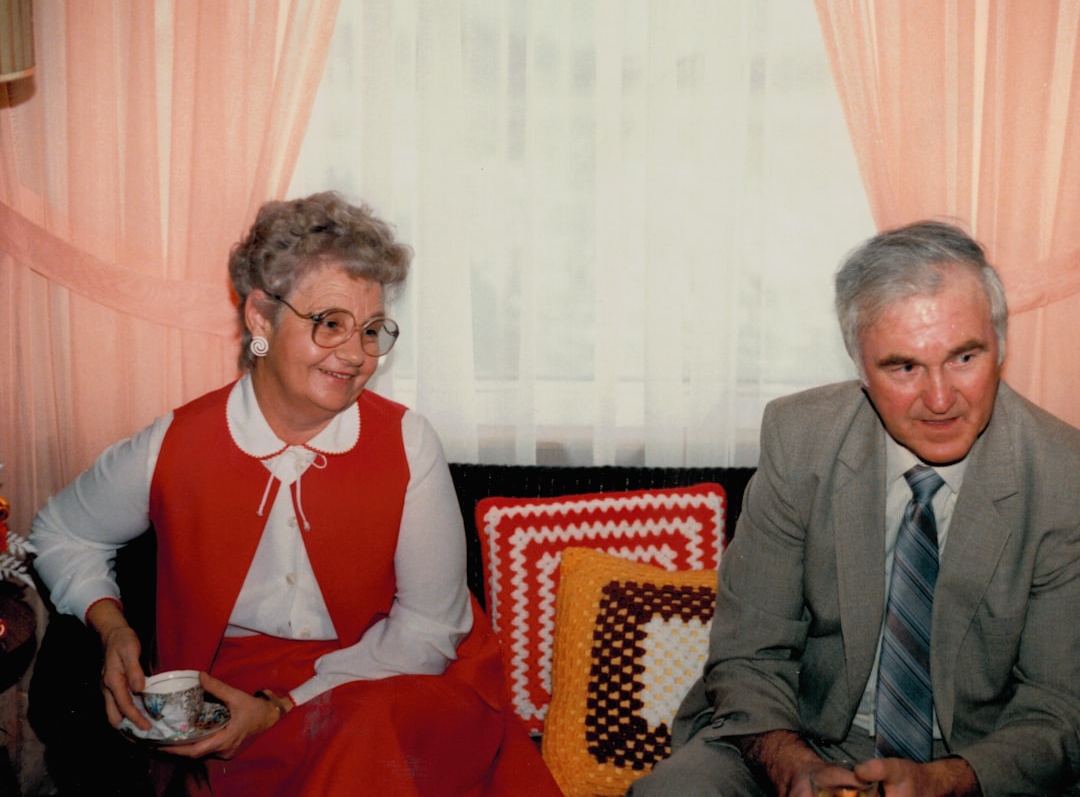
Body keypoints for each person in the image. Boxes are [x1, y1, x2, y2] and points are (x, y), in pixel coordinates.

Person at [30, 191, 561, 796]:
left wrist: (283, 705)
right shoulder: (173, 445)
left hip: (405, 683)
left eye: (370, 330)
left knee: (367, 730)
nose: (357, 355)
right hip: (237, 703)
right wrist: (113, 627)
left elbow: (427, 634)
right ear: (261, 316)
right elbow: (60, 530)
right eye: (330, 323)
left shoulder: (408, 443)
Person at [629, 221, 1080, 797]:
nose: (940, 399)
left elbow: (1058, 708)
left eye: (964, 356)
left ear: (1001, 348)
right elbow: (748, 653)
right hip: (797, 736)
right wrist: (794, 765)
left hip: (975, 759)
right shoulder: (800, 438)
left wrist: (946, 780)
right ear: (860, 369)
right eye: (904, 367)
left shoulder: (1064, 476)